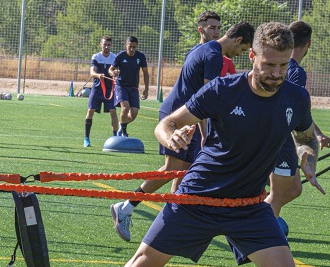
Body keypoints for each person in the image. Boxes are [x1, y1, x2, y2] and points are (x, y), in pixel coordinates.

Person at [26, 22, 324, 267]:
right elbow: (166, 122)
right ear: (252, 56)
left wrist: (308, 156)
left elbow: (306, 136)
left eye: (282, 66)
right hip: (197, 197)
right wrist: (173, 135)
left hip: (246, 205)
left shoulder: (295, 97)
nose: (277, 74)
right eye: (269, 65)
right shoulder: (223, 90)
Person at [109, 20, 254, 242]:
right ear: (238, 39)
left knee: (185, 170)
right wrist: (206, 132)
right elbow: (208, 96)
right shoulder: (215, 55)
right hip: (177, 118)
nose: (239, 54)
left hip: (185, 117)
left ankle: (173, 220)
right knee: (172, 168)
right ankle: (127, 206)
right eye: (242, 49)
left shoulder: (204, 48)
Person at [265, 21, 330, 222]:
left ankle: (259, 223)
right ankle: (259, 233)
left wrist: (316, 134)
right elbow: (290, 109)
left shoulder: (286, 69)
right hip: (276, 138)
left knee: (293, 188)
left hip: (274, 135)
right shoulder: (295, 72)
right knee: (284, 191)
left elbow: (298, 110)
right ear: (309, 44)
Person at [110, 36, 149, 137]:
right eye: (130, 47)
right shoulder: (121, 56)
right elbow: (111, 69)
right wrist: (113, 73)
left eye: (134, 47)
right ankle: (123, 132)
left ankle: (121, 125)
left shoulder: (140, 56)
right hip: (121, 86)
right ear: (126, 45)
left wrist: (146, 88)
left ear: (137, 47)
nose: (131, 49)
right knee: (125, 108)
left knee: (134, 113)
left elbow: (145, 73)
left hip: (134, 88)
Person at [84, 36, 117, 147]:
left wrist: (115, 73)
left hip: (110, 90)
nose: (106, 46)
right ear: (100, 45)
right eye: (104, 44)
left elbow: (116, 71)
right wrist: (99, 75)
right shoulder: (96, 57)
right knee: (90, 111)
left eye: (108, 44)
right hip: (97, 89)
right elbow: (92, 73)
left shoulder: (114, 57)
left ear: (111, 45)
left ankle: (115, 137)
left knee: (113, 112)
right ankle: (86, 138)